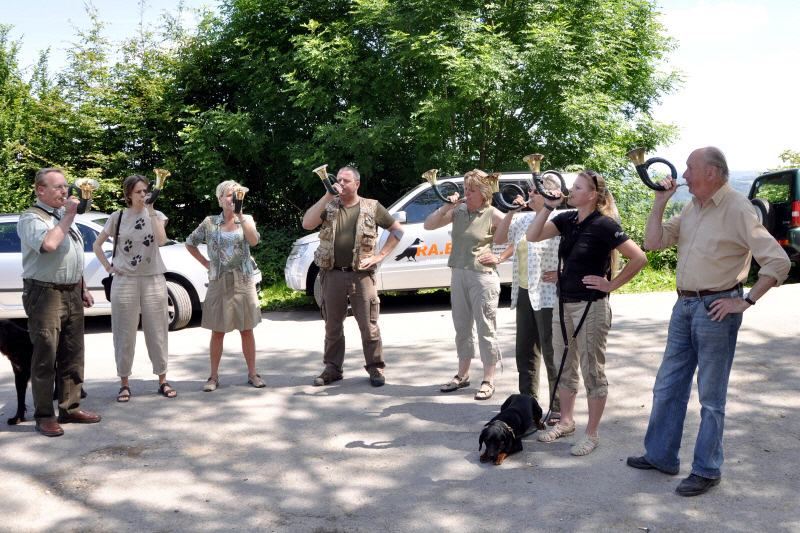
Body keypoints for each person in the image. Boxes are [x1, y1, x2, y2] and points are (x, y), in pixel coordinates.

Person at [627, 147, 791, 496]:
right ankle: (661, 456)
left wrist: (745, 300)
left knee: (711, 396)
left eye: (690, 168)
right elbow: (653, 242)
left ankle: (706, 469)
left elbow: (778, 261)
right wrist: (659, 202)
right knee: (668, 386)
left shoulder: (738, 208)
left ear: (712, 173)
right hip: (684, 306)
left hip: (717, 308)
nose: (684, 175)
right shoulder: (691, 206)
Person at [527, 169, 646, 455]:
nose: (572, 191)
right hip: (564, 303)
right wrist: (547, 206)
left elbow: (639, 257)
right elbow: (533, 235)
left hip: (591, 306)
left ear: (592, 195)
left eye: (578, 187)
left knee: (591, 369)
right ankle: (566, 422)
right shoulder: (567, 219)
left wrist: (611, 284)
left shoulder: (604, 224)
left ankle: (591, 434)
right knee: (564, 364)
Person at [17, 167, 102, 437]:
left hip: (71, 291)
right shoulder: (32, 217)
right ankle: (44, 416)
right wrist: (68, 216)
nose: (64, 191)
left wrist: (82, 287)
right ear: (40, 190)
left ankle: (70, 407)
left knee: (72, 353)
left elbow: (72, 254)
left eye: (65, 186)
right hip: (45, 293)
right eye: (58, 187)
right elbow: (49, 245)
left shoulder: (62, 216)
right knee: (46, 355)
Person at [301, 166, 404, 387]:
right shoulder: (329, 205)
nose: (340, 183)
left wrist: (379, 257)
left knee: (368, 324)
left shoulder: (372, 206)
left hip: (361, 276)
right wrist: (328, 194)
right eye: (338, 179)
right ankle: (332, 369)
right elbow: (307, 223)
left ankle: (375, 367)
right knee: (332, 325)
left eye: (345, 180)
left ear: (357, 184)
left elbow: (397, 231)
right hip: (332, 274)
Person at [425, 169, 506, 401]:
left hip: (482, 277)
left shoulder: (493, 214)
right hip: (458, 273)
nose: (466, 194)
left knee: (485, 328)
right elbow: (429, 225)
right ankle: (462, 374)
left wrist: (500, 257)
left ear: (484, 193)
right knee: (462, 327)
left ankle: (488, 379)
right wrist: (446, 207)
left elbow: (520, 237)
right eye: (465, 189)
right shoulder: (458, 211)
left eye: (471, 190)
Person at [92, 175, 174, 402]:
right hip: (124, 280)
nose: (143, 195)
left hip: (153, 278)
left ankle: (162, 379)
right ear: (128, 194)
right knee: (124, 333)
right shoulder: (117, 217)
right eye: (138, 191)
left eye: (145, 190)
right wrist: (108, 267)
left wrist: (151, 210)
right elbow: (97, 245)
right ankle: (124, 383)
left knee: (157, 331)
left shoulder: (157, 215)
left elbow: (161, 240)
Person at [493, 177, 562, 420]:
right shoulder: (523, 220)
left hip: (548, 294)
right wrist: (511, 212)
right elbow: (498, 239)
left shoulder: (560, 219)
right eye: (530, 190)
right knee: (525, 351)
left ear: (550, 193)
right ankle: (528, 404)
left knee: (552, 352)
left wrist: (564, 273)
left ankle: (559, 407)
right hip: (523, 292)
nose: (530, 194)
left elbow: (576, 251)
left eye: (535, 190)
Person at [186, 180, 263, 392]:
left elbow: (254, 241)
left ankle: (253, 374)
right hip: (218, 280)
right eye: (229, 195)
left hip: (243, 280)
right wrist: (205, 263)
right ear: (220, 199)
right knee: (218, 330)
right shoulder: (210, 222)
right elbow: (190, 243)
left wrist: (240, 216)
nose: (233, 199)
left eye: (237, 195)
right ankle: (213, 377)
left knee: (246, 329)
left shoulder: (246, 219)